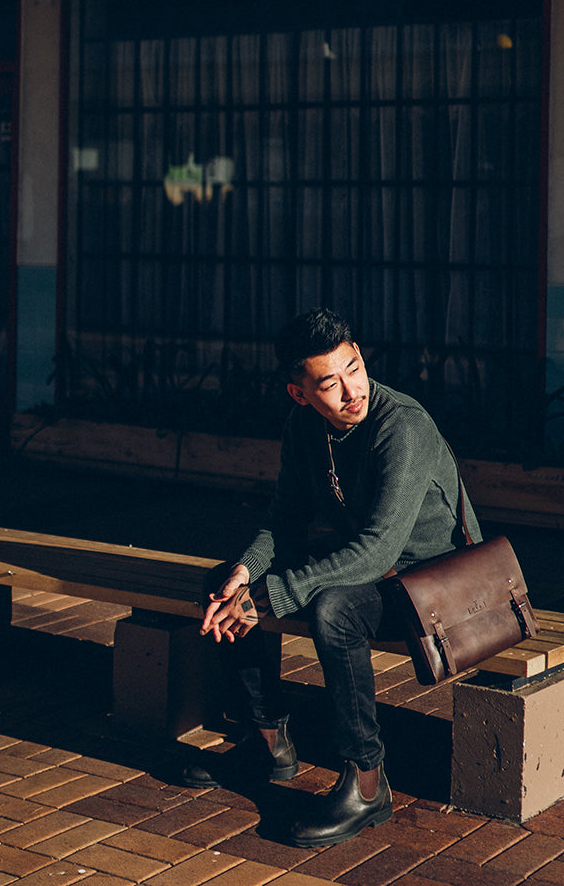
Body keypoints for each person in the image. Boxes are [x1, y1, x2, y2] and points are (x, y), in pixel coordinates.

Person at [184, 306, 480, 848]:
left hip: (438, 580)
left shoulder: (402, 426)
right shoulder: (303, 428)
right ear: (299, 394)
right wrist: (246, 573)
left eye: (353, 369)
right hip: (376, 567)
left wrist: (270, 597)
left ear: (360, 356)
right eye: (329, 384)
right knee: (222, 581)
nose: (351, 391)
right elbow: (284, 523)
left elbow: (377, 547)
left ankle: (366, 781)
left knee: (334, 610)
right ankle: (267, 743)